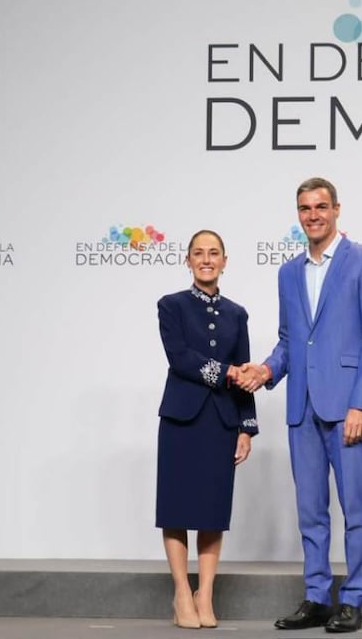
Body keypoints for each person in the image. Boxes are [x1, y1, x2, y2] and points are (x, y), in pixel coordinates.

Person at [238, 177, 362, 633]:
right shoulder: (288, 272)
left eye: (321, 206)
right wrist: (266, 370)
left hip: (347, 407)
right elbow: (291, 340)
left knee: (355, 507)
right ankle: (316, 596)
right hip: (300, 407)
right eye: (305, 208)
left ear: (337, 209)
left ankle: (353, 598)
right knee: (310, 510)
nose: (313, 215)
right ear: (298, 214)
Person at [155, 229, 258, 629]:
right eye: (198, 253)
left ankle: (206, 594)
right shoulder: (171, 306)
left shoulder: (237, 314)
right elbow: (179, 358)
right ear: (188, 260)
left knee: (213, 513)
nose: (206, 259)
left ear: (225, 261)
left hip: (221, 422)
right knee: (177, 509)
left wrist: (246, 428)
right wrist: (226, 372)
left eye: (213, 253)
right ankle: (182, 591)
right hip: (181, 419)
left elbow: (246, 373)